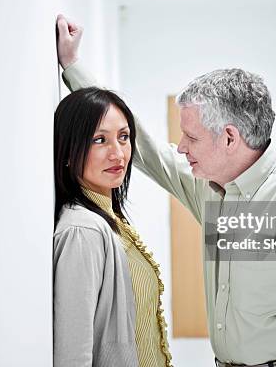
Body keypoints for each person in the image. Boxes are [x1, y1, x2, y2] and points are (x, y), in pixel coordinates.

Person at [56, 14, 276, 367]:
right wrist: (73, 67)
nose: (180, 147)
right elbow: (145, 147)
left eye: (191, 137)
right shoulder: (210, 188)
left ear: (229, 137)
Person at [53, 86, 173, 367]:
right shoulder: (83, 232)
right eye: (99, 139)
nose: (117, 153)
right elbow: (72, 354)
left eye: (123, 137)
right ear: (69, 151)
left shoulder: (109, 220)